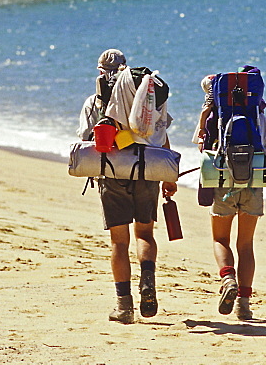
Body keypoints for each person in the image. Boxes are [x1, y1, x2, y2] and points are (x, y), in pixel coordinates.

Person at [77, 49, 178, 324]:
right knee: (144, 234)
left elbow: (88, 140)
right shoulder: (148, 97)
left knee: (119, 242)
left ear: (100, 71)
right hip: (148, 170)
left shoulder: (94, 102)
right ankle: (148, 279)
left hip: (112, 174)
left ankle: (124, 307)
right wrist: (169, 175)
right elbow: (162, 137)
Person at [195, 66, 266, 320]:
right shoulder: (261, 121)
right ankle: (243, 304)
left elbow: (203, 152)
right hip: (253, 184)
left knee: (220, 240)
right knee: (245, 245)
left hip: (223, 182)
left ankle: (227, 279)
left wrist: (204, 119)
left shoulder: (214, 119)